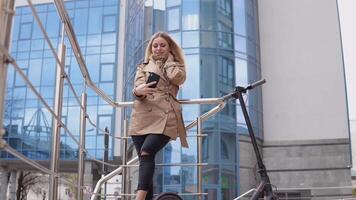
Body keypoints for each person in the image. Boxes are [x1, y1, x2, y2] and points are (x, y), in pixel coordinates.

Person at [128, 32, 188, 200]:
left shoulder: (177, 66)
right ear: (151, 48)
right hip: (142, 116)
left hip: (165, 116)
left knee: (147, 152)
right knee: (145, 162)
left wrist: (168, 62)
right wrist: (138, 91)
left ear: (170, 48)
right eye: (155, 46)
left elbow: (179, 79)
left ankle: (138, 198)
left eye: (163, 45)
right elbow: (137, 86)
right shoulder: (143, 66)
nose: (158, 49)